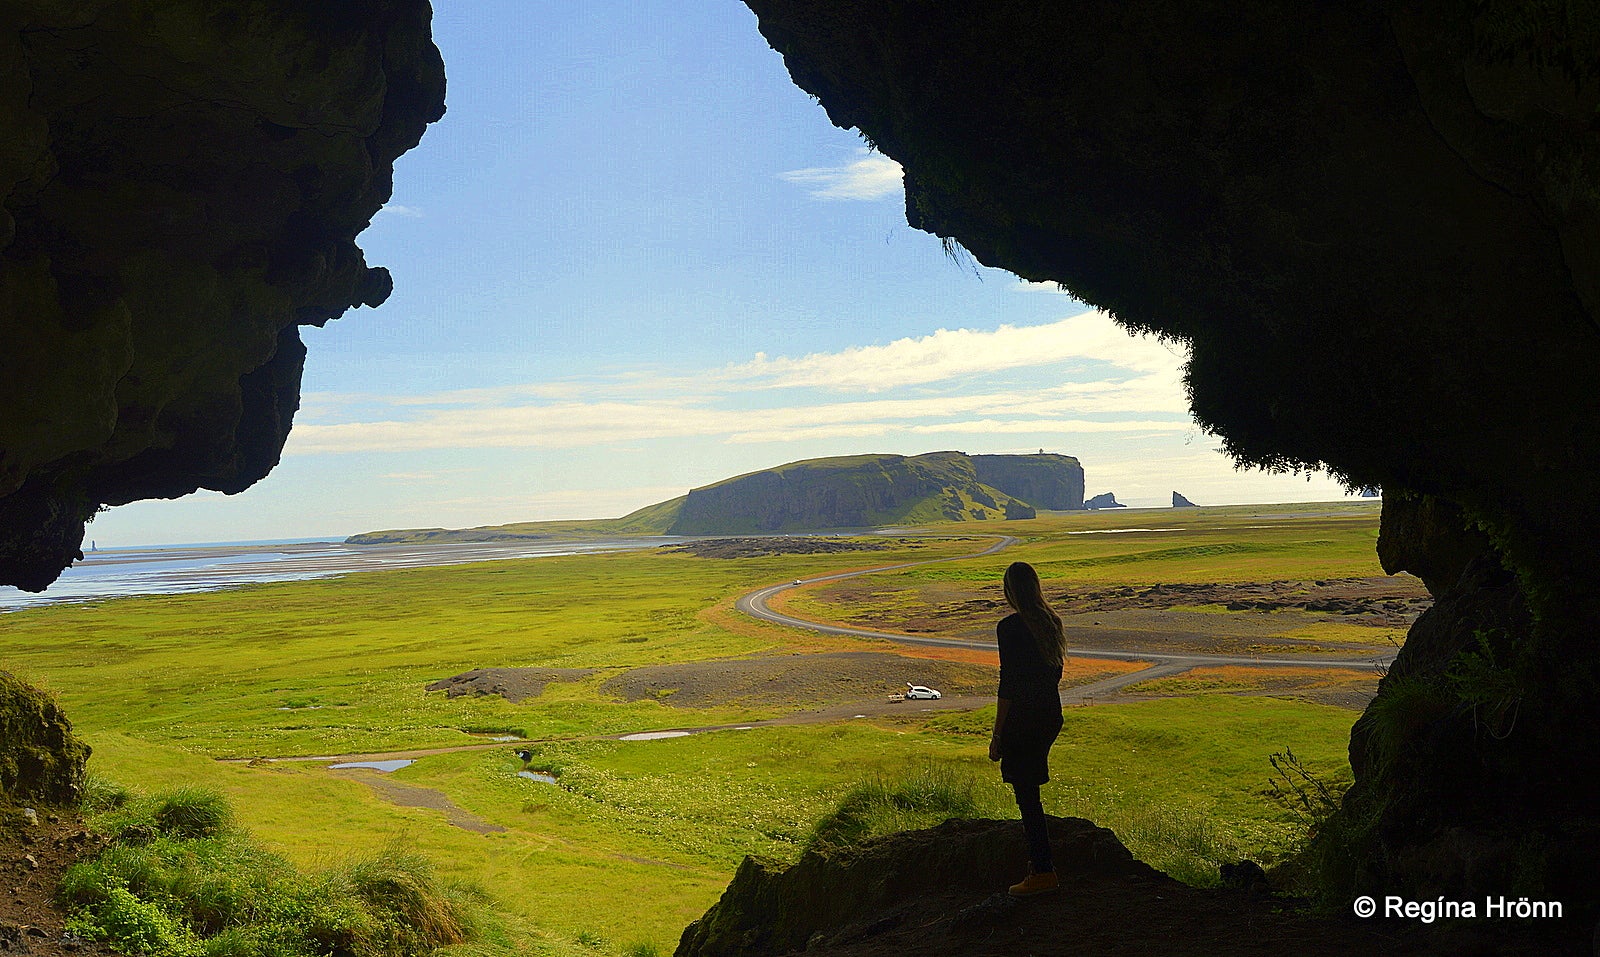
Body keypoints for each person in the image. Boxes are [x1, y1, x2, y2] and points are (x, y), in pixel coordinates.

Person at [987, 560, 1066, 897]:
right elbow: (1054, 672)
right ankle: (1040, 866)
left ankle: (1042, 871)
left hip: (1025, 718)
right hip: (1050, 713)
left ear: (1010, 591)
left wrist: (998, 734)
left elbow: (1009, 686)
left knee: (1027, 796)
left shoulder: (1010, 628)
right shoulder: (1052, 622)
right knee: (1029, 789)